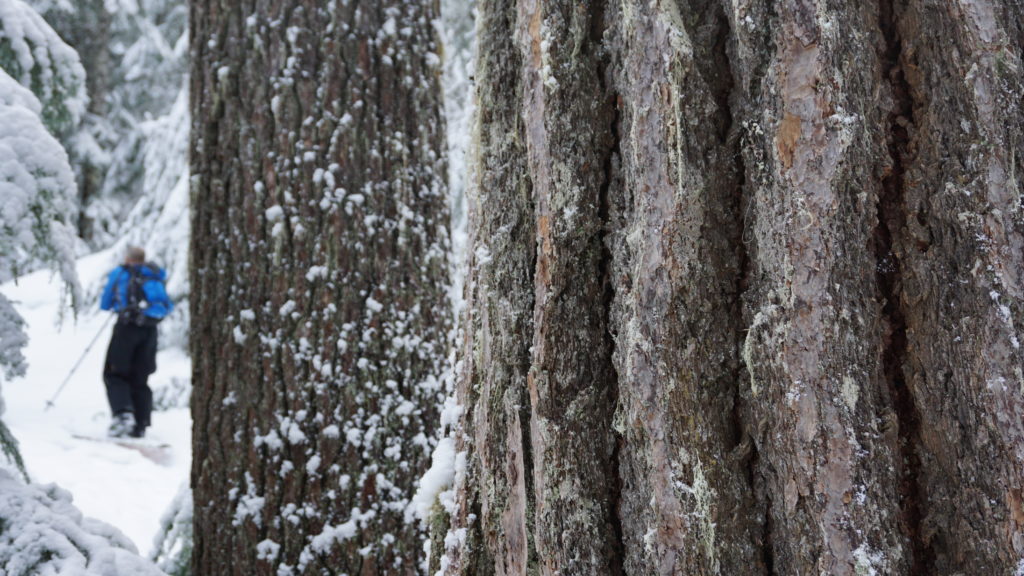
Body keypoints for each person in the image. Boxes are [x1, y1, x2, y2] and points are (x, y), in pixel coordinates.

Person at [100, 246, 172, 438]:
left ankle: (123, 414)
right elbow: (166, 305)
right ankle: (141, 424)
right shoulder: (154, 274)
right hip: (149, 331)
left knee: (115, 373)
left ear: (128, 258)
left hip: (126, 328)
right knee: (140, 377)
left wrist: (120, 307)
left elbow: (105, 303)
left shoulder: (122, 272)